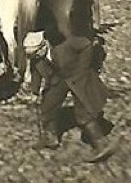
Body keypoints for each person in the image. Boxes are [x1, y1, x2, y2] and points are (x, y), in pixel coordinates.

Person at [23, 31, 115, 162]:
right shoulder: (37, 58)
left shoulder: (66, 44)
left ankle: (101, 144)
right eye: (32, 55)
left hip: (77, 76)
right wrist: (34, 92)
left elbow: (87, 45)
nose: (35, 57)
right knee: (47, 106)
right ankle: (51, 138)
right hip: (58, 79)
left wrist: (83, 68)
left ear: (44, 46)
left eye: (36, 53)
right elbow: (36, 72)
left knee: (84, 113)